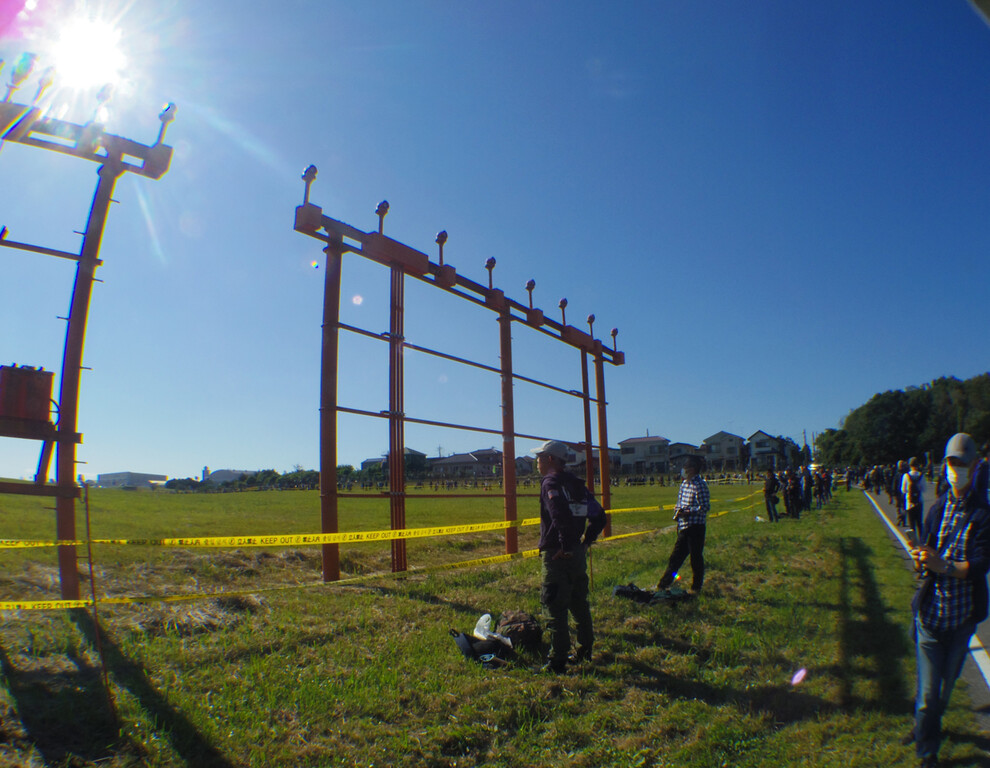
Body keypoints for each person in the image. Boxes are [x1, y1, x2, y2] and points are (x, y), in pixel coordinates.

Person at [909, 434, 990, 767]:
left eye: (962, 463)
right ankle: (927, 750)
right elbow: (927, 549)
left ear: (974, 466)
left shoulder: (983, 514)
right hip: (930, 617)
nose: (956, 470)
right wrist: (921, 559)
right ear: (945, 465)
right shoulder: (938, 508)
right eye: (951, 463)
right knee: (928, 695)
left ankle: (924, 727)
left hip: (960, 622)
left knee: (942, 692)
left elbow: (981, 564)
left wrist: (943, 565)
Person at [534, 439, 606, 673]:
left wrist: (564, 546)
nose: (537, 461)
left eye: (539, 457)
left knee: (554, 606)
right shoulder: (577, 485)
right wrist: (585, 542)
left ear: (550, 459)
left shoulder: (550, 483)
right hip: (576, 553)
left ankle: (557, 661)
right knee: (579, 603)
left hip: (557, 554)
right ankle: (585, 650)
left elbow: (559, 514)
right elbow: (599, 516)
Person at [657, 454, 710, 594]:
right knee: (675, 558)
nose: (683, 470)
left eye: (685, 467)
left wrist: (688, 512)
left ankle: (696, 587)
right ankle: (663, 584)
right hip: (684, 527)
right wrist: (678, 512)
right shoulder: (684, 484)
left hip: (696, 527)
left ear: (692, 469)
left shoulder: (700, 485)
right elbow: (679, 503)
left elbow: (704, 507)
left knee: (695, 558)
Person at [902, 456, 927, 542]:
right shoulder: (921, 476)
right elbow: (924, 489)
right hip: (919, 502)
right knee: (919, 523)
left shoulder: (906, 476)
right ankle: (922, 541)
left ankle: (914, 542)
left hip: (909, 503)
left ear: (909, 465)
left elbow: (903, 490)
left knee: (911, 524)